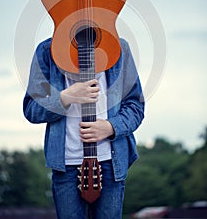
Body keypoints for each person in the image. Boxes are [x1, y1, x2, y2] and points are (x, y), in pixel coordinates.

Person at [23, 34, 145, 218]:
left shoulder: (119, 47)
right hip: (66, 165)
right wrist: (64, 98)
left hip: (112, 164)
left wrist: (111, 127)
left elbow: (136, 106)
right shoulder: (46, 50)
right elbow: (31, 109)